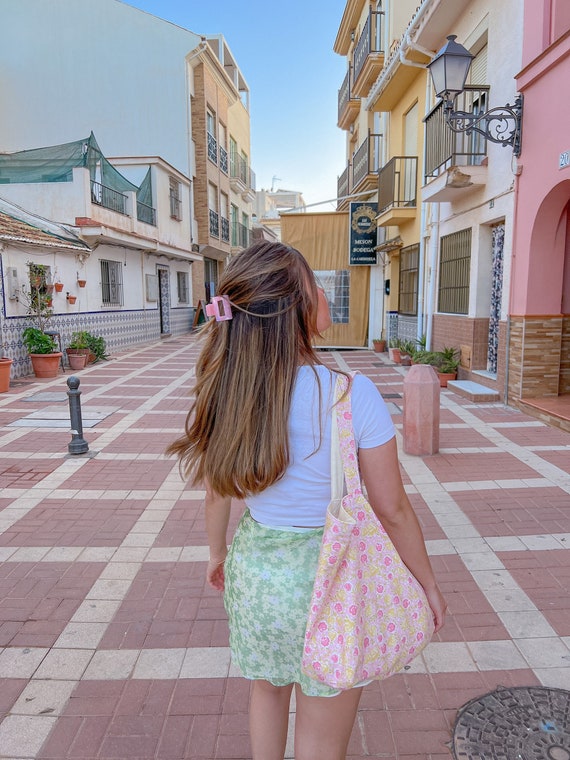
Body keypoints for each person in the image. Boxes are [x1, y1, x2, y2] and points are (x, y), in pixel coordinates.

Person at [168, 241, 446, 760]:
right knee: (321, 735)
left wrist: (216, 553)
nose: (324, 291)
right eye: (315, 282)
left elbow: (216, 491)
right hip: (331, 579)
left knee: (268, 692)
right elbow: (392, 509)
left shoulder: (227, 390)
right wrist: (426, 583)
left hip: (258, 577)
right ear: (297, 308)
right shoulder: (351, 394)